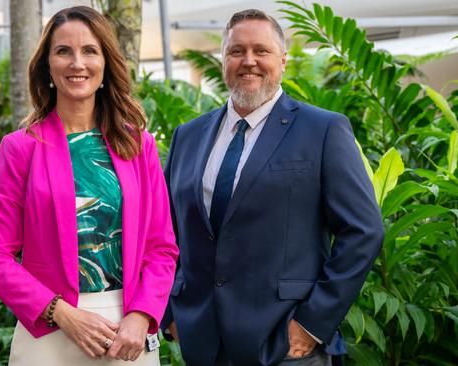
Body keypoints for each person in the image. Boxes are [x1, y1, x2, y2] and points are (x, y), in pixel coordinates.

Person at [160, 9, 384, 366]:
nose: (248, 61)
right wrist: (171, 306)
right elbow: (165, 230)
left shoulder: (323, 130)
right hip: (203, 342)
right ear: (224, 60)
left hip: (286, 344)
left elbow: (364, 230)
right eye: (236, 51)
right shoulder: (188, 136)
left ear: (282, 59)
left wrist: (312, 323)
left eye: (260, 51)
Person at [0, 6, 178, 366]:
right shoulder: (20, 149)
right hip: (50, 332)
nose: (77, 63)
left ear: (105, 64)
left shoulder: (138, 146)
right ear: (48, 67)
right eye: (63, 51)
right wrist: (60, 312)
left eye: (89, 51)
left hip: (126, 333)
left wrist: (142, 315)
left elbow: (162, 248)